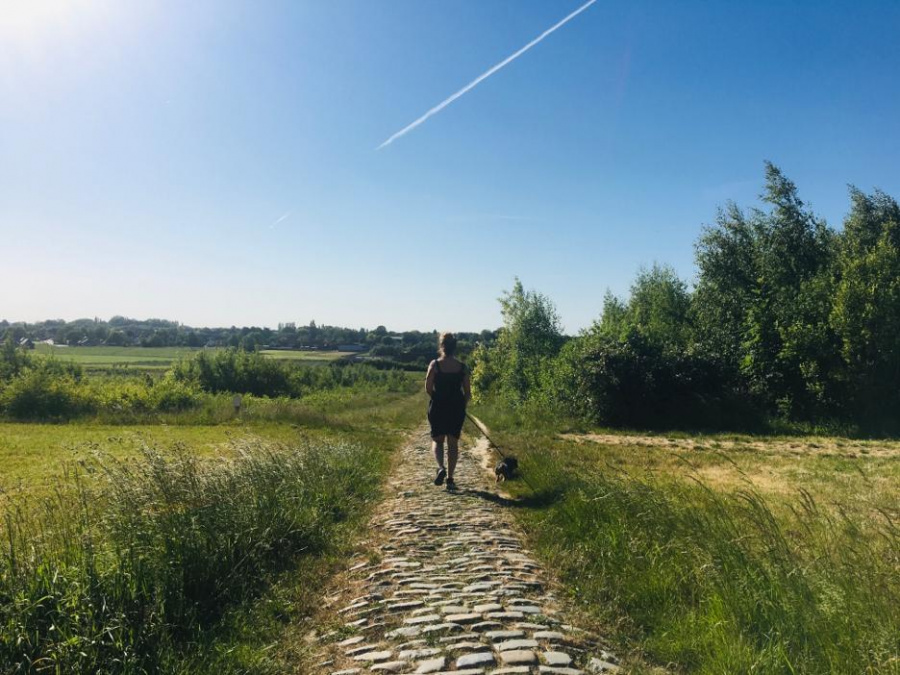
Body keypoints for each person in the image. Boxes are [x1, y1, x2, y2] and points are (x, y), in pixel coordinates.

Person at [425, 332, 471, 490]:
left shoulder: (435, 365)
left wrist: (438, 398)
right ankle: (450, 478)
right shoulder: (462, 367)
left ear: (441, 346)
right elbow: (468, 393)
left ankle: (441, 467)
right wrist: (461, 405)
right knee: (453, 443)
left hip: (438, 407)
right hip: (456, 408)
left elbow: (428, 388)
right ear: (454, 347)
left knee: (438, 441)